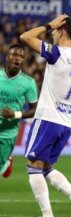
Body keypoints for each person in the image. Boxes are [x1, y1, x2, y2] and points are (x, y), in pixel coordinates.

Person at [19, 15, 71, 217]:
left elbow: (25, 37)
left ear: (63, 30)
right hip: (65, 121)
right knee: (45, 167)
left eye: (54, 31)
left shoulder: (57, 54)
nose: (51, 34)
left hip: (48, 117)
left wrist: (49, 24)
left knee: (33, 165)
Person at [0, 44, 38, 178]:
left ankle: (6, 162)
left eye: (21, 56)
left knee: (1, 168)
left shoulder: (28, 83)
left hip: (7, 133)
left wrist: (15, 114)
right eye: (14, 55)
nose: (18, 59)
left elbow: (35, 110)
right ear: (7, 57)